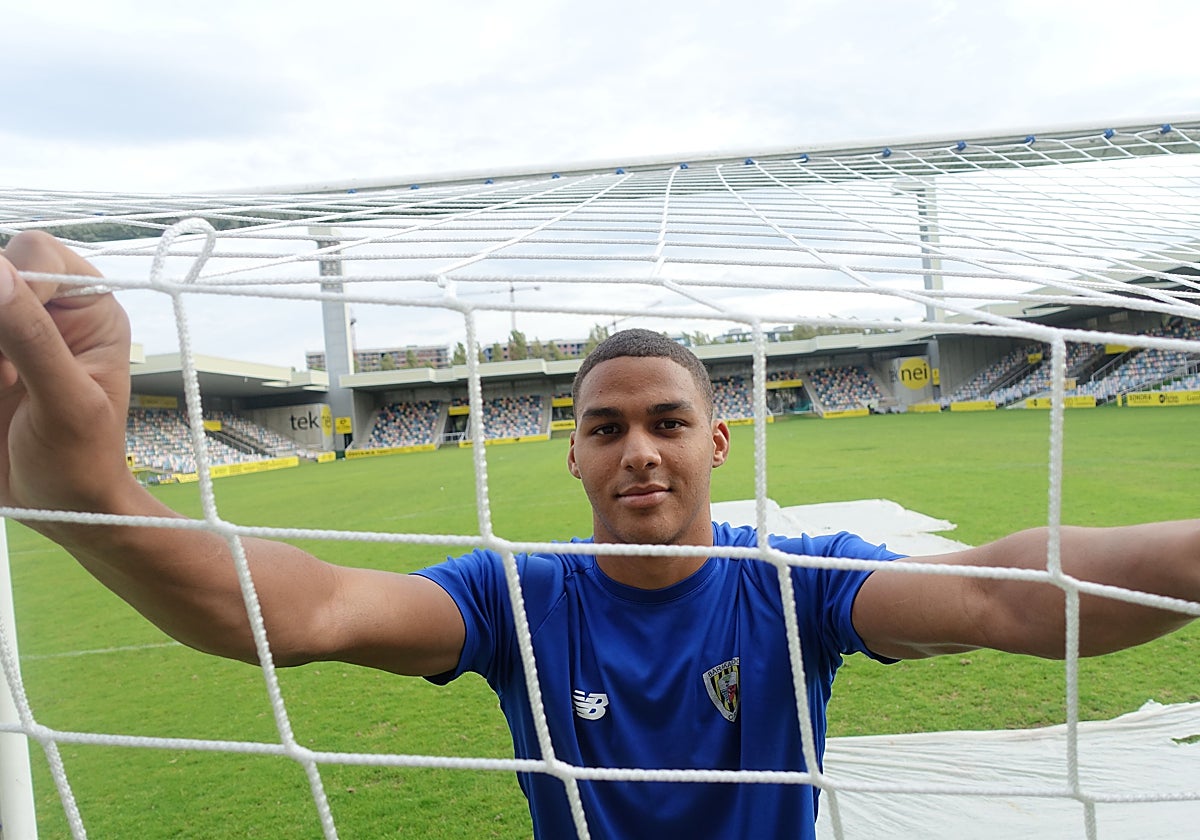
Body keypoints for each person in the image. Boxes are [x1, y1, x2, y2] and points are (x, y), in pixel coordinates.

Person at [0, 230, 1196, 838]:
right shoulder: (518, 598)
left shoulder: (796, 586)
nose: (640, 450)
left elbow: (1013, 595)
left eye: (670, 422)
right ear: (568, 451)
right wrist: (98, 502)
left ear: (716, 444)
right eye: (607, 425)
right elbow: (308, 613)